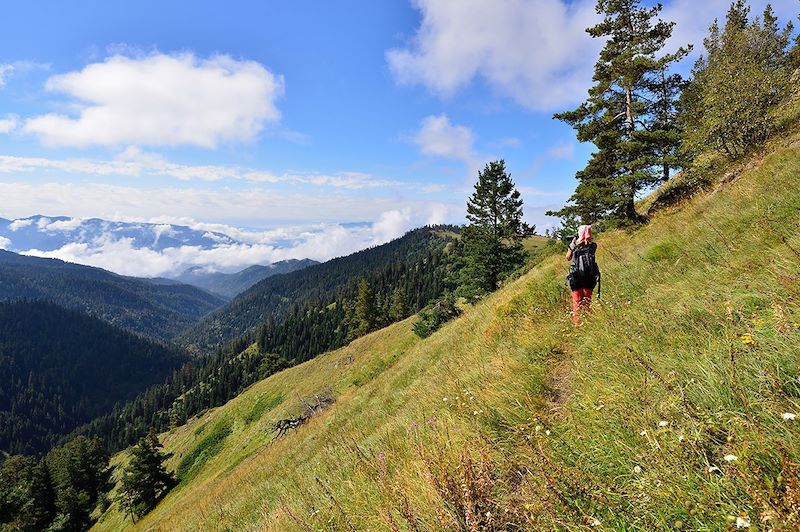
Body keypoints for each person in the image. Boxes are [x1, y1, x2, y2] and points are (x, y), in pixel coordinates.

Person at [566, 224, 600, 325]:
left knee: (577, 302)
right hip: (589, 277)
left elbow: (568, 257)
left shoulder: (575, 245)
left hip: (576, 277)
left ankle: (577, 325)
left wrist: (573, 242)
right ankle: (587, 322)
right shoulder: (593, 246)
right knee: (587, 302)